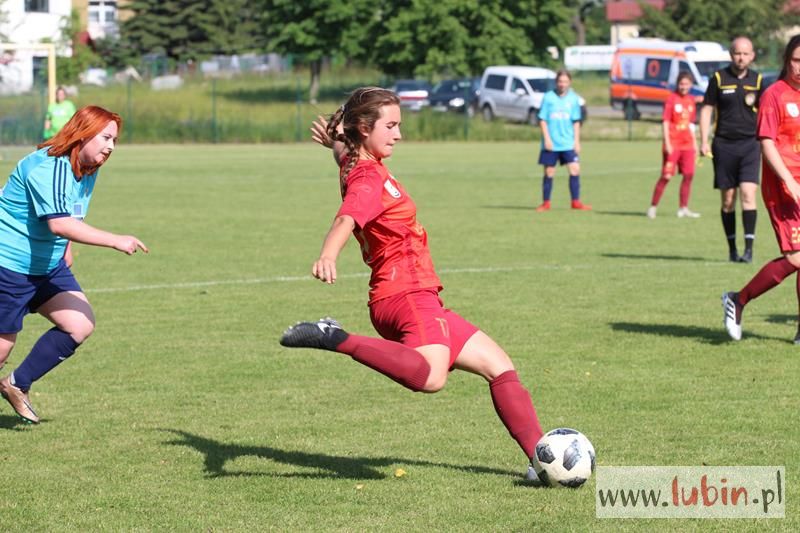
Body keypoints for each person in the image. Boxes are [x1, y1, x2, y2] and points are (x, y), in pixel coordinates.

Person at [279, 87, 545, 481]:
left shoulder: (356, 161)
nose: (399, 134)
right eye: (390, 126)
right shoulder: (367, 177)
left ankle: (541, 460)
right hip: (405, 294)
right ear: (365, 128)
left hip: (414, 294)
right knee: (432, 377)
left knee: (498, 366)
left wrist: (335, 141)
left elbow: (344, 154)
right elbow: (347, 218)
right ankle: (335, 337)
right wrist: (328, 255)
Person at [0, 105, 148, 424]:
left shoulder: (87, 167)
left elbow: (71, 213)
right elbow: (59, 223)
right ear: (83, 134)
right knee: (1, 349)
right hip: (9, 265)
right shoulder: (49, 166)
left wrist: (66, 247)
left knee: (79, 324)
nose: (111, 146)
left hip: (46, 266)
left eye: (115, 140)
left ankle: (16, 384)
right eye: (105, 138)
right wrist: (115, 239)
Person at [723, 35, 800, 343]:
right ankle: (738, 299)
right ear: (786, 60)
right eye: (796, 60)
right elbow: (767, 143)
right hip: (783, 187)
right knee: (796, 258)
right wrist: (790, 181)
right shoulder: (774, 94)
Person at [700, 37, 764, 263]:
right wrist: (703, 140)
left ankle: (749, 250)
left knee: (748, 193)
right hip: (724, 145)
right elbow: (707, 109)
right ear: (731, 54)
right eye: (738, 53)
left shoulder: (758, 80)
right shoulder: (719, 78)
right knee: (728, 199)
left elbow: (766, 112)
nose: (741, 58)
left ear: (752, 56)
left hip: (750, 145)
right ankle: (732, 249)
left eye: (746, 54)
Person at [535, 69, 591, 212]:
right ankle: (546, 203)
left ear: (569, 82)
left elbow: (576, 121)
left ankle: (575, 202)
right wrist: (547, 139)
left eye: (565, 82)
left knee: (575, 169)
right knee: (549, 172)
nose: (562, 84)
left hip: (568, 142)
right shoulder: (548, 97)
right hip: (551, 143)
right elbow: (542, 120)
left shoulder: (573, 99)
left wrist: (577, 141)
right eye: (560, 81)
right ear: (556, 82)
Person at [647, 71, 701, 219]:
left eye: (687, 84)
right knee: (666, 176)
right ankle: (653, 207)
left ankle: (683, 208)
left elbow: (691, 124)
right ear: (677, 84)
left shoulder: (691, 100)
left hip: (687, 144)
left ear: (691, 85)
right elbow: (665, 121)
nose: (684, 87)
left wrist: (695, 144)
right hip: (673, 144)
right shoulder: (671, 99)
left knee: (689, 175)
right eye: (681, 84)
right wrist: (667, 142)